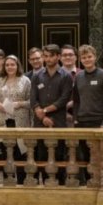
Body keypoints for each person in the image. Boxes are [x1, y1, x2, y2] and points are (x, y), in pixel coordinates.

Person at [72, 45, 103, 183]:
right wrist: (75, 118)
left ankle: (102, 181)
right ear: (80, 59)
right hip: (82, 122)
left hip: (99, 122)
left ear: (95, 57)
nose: (87, 59)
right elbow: (76, 100)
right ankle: (86, 182)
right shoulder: (78, 77)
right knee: (83, 155)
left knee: (100, 155)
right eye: (84, 57)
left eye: (89, 56)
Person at [30, 45, 73, 179]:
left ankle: (59, 187)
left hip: (58, 122)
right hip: (40, 122)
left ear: (58, 57)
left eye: (51, 56)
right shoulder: (37, 76)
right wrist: (41, 114)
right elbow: (33, 98)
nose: (48, 59)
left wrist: (45, 110)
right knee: (41, 156)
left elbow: (63, 100)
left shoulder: (66, 76)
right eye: (46, 56)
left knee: (59, 156)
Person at [0, 55, 32, 172]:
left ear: (17, 65)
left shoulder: (25, 81)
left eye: (12, 64)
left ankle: (20, 182)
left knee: (20, 154)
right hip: (2, 120)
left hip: (19, 121)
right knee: (4, 153)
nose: (10, 67)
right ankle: (5, 182)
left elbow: (31, 102)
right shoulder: (0, 80)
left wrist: (19, 103)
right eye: (7, 65)